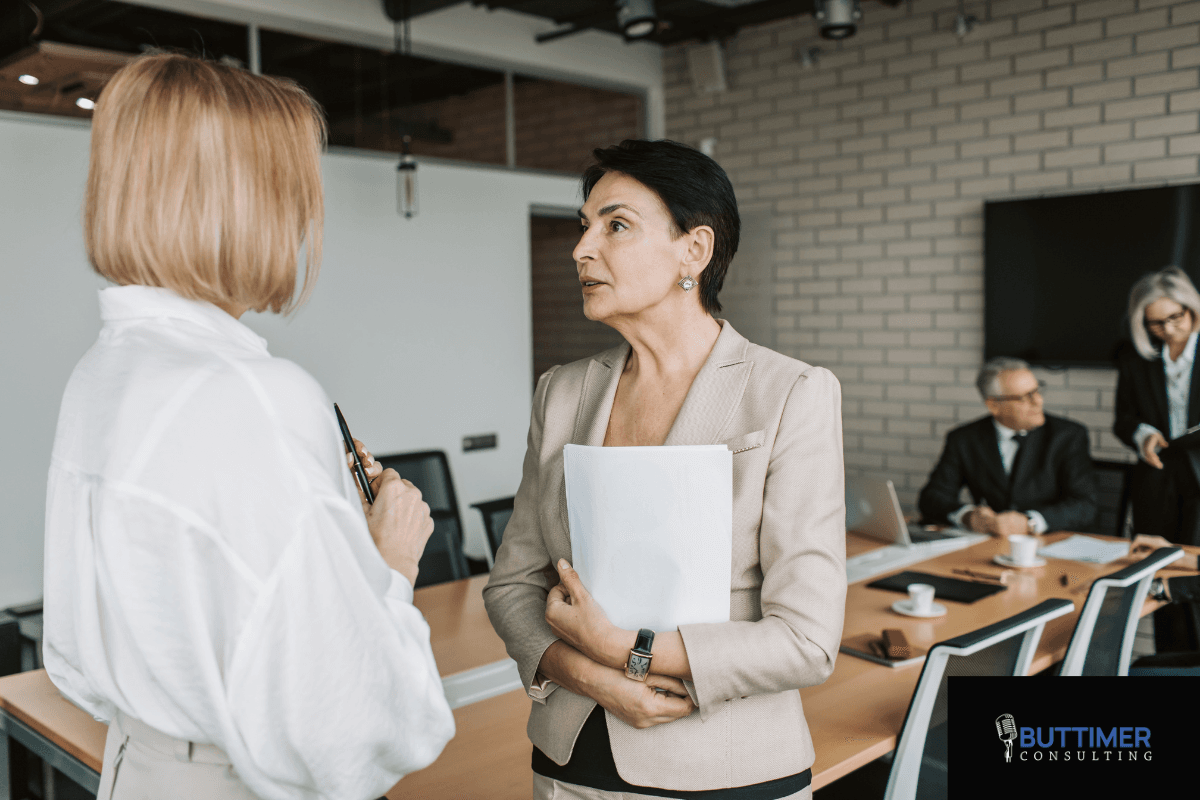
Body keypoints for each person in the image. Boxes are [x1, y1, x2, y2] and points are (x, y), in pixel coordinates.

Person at [43, 53, 454, 800]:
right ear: (251, 204)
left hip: (141, 765)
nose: (305, 216)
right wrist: (389, 566)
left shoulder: (105, 372)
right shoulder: (254, 396)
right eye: (297, 191)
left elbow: (85, 649)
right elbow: (352, 727)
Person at [483, 140, 846, 800]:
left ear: (694, 252)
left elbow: (807, 642)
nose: (582, 248)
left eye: (615, 225)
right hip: (570, 769)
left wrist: (627, 649)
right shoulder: (561, 392)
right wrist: (593, 676)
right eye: (584, 225)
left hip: (728, 772)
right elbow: (511, 586)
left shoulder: (791, 392)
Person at [1114, 267, 1200, 651]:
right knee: (1161, 571)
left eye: (1174, 318)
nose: (1167, 329)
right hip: (1157, 477)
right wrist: (1142, 435)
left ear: (1191, 308)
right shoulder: (1137, 359)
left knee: (1194, 574)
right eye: (1155, 323)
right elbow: (1123, 418)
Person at [918, 357, 1097, 536]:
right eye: (1024, 397)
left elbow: (1085, 505)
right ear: (994, 405)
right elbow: (932, 498)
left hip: (1050, 544)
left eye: (1037, 391)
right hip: (989, 544)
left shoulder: (1068, 436)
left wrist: (1030, 522)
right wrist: (968, 516)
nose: (1038, 401)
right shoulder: (964, 439)